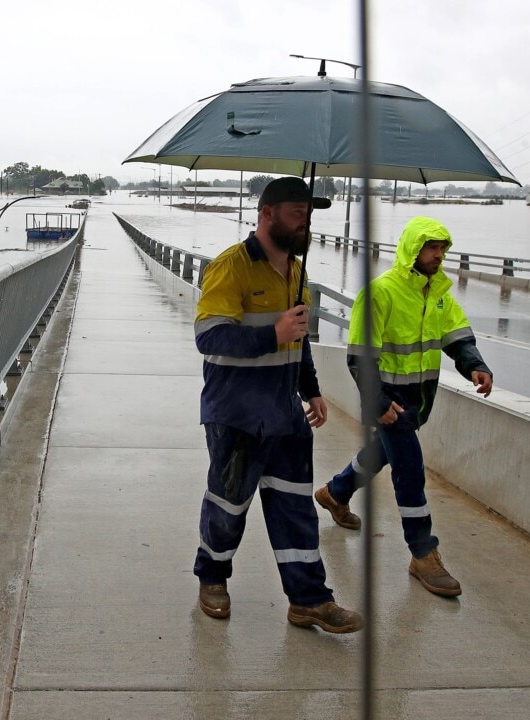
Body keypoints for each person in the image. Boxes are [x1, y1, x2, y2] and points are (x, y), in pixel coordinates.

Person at [192, 176, 363, 634]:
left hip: (286, 414)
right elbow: (209, 336)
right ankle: (212, 578)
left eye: (308, 214)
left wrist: (311, 390)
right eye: (297, 212)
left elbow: (299, 340)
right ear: (267, 214)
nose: (305, 222)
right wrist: (274, 333)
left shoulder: (298, 273)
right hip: (237, 415)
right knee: (228, 507)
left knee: (296, 510)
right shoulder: (232, 266)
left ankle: (309, 599)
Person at [315, 216, 493, 598]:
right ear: (413, 248)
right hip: (389, 399)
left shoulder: (438, 293)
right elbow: (361, 354)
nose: (439, 255)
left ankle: (336, 492)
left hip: (417, 399)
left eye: (443, 248)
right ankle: (423, 553)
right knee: (410, 471)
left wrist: (475, 365)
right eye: (432, 248)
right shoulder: (381, 292)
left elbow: (457, 336)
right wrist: (377, 401)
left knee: (381, 453)